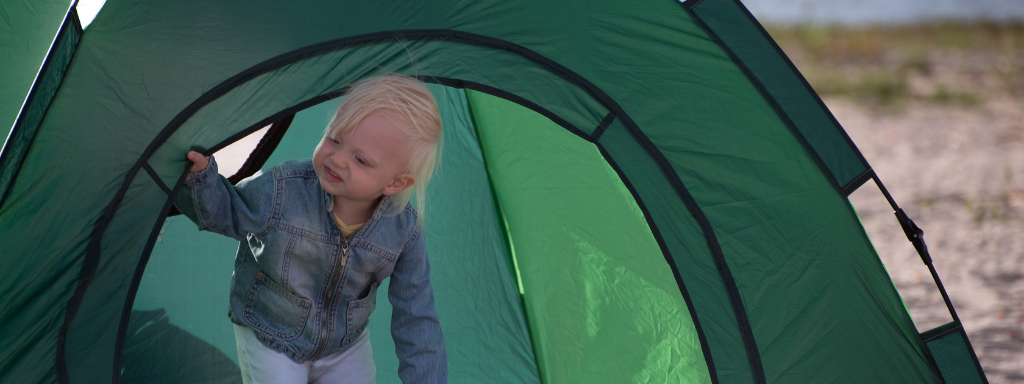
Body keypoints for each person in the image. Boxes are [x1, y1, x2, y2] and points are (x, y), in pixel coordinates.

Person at [175, 75, 447, 384]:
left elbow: (416, 318)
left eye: (360, 159)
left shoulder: (403, 230)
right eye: (335, 138)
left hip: (342, 345)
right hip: (271, 333)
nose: (338, 158)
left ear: (395, 183)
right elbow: (225, 212)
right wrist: (200, 180)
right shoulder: (283, 190)